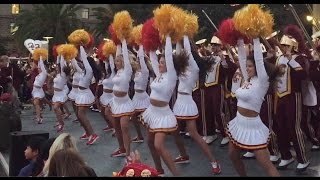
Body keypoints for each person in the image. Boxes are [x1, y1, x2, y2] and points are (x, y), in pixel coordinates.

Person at [226, 38, 280, 176]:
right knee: (232, 155)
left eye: (250, 66)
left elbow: (259, 59)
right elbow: (242, 58)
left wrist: (256, 38)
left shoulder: (262, 81)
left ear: (257, 67)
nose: (247, 68)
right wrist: (238, 39)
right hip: (238, 123)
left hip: (253, 127)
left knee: (265, 163)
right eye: (247, 66)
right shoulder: (247, 79)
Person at [172, 35, 221, 174]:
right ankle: (184, 155)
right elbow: (181, 52)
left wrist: (185, 34)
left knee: (194, 134)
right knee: (174, 131)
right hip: (179, 102)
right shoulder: (183, 67)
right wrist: (176, 37)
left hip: (187, 101)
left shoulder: (194, 68)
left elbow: (187, 50)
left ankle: (214, 161)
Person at [142, 35, 187, 176]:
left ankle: (176, 174)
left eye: (163, 62)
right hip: (152, 112)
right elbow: (151, 56)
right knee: (150, 142)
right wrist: (148, 42)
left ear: (170, 64)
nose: (160, 64)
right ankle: (159, 170)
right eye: (159, 62)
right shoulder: (159, 74)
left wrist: (168, 35)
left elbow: (168, 54)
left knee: (158, 145)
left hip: (163, 114)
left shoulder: (171, 76)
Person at [109, 39, 135, 160]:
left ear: (123, 62)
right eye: (116, 61)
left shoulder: (127, 71)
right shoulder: (118, 71)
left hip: (124, 103)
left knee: (124, 126)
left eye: (118, 61)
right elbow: (118, 54)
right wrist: (118, 42)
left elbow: (123, 53)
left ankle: (128, 152)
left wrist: (124, 40)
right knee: (117, 127)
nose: (116, 63)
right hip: (115, 102)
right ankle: (121, 148)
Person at [75, 46, 101, 145]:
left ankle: (93, 134)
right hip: (80, 94)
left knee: (81, 115)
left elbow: (84, 60)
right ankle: (87, 133)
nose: (82, 63)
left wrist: (81, 46)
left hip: (85, 94)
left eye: (84, 62)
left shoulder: (89, 72)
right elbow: (76, 63)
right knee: (79, 114)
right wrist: (70, 54)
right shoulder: (83, 72)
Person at [131, 44, 150, 143]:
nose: (137, 60)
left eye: (139, 59)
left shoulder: (145, 71)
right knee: (133, 117)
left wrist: (142, 45)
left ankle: (150, 137)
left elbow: (141, 58)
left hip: (143, 97)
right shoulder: (137, 71)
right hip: (136, 97)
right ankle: (140, 136)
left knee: (145, 119)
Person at [52, 56, 70, 132]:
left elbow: (61, 64)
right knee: (55, 109)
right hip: (56, 94)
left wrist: (62, 55)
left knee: (56, 108)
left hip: (61, 94)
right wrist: (58, 56)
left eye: (58, 67)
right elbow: (58, 63)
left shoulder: (63, 76)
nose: (56, 68)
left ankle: (61, 124)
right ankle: (60, 122)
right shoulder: (58, 75)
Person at [31, 57, 48, 124]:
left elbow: (41, 65)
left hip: (38, 90)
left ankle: (38, 118)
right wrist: (37, 59)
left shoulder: (44, 74)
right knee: (36, 103)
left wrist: (40, 57)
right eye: (38, 68)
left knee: (36, 103)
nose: (38, 68)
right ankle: (40, 115)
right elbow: (39, 65)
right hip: (35, 90)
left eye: (39, 68)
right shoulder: (39, 74)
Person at [68, 58, 83, 123]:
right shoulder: (75, 72)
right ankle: (77, 117)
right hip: (73, 91)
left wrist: (72, 57)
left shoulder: (81, 73)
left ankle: (80, 118)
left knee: (77, 105)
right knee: (73, 105)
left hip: (78, 91)